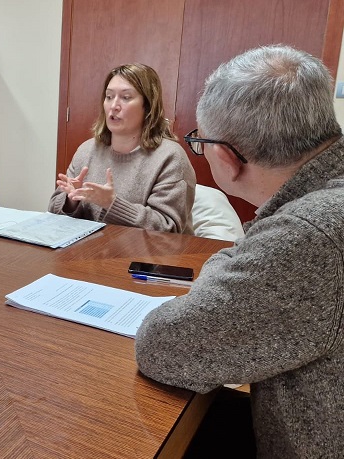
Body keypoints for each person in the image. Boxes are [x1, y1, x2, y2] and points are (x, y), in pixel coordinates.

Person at [135, 45, 344, 457]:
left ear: (226, 158)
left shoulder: (309, 233)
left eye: (200, 142)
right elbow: (240, 254)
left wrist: (226, 271)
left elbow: (160, 345)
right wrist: (233, 266)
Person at [48, 63, 196, 233]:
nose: (113, 106)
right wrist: (71, 201)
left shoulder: (171, 157)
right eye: (109, 96)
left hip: (148, 258)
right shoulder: (86, 150)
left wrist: (112, 204)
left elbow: (167, 229)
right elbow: (53, 213)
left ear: (148, 106)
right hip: (91, 253)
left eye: (125, 97)